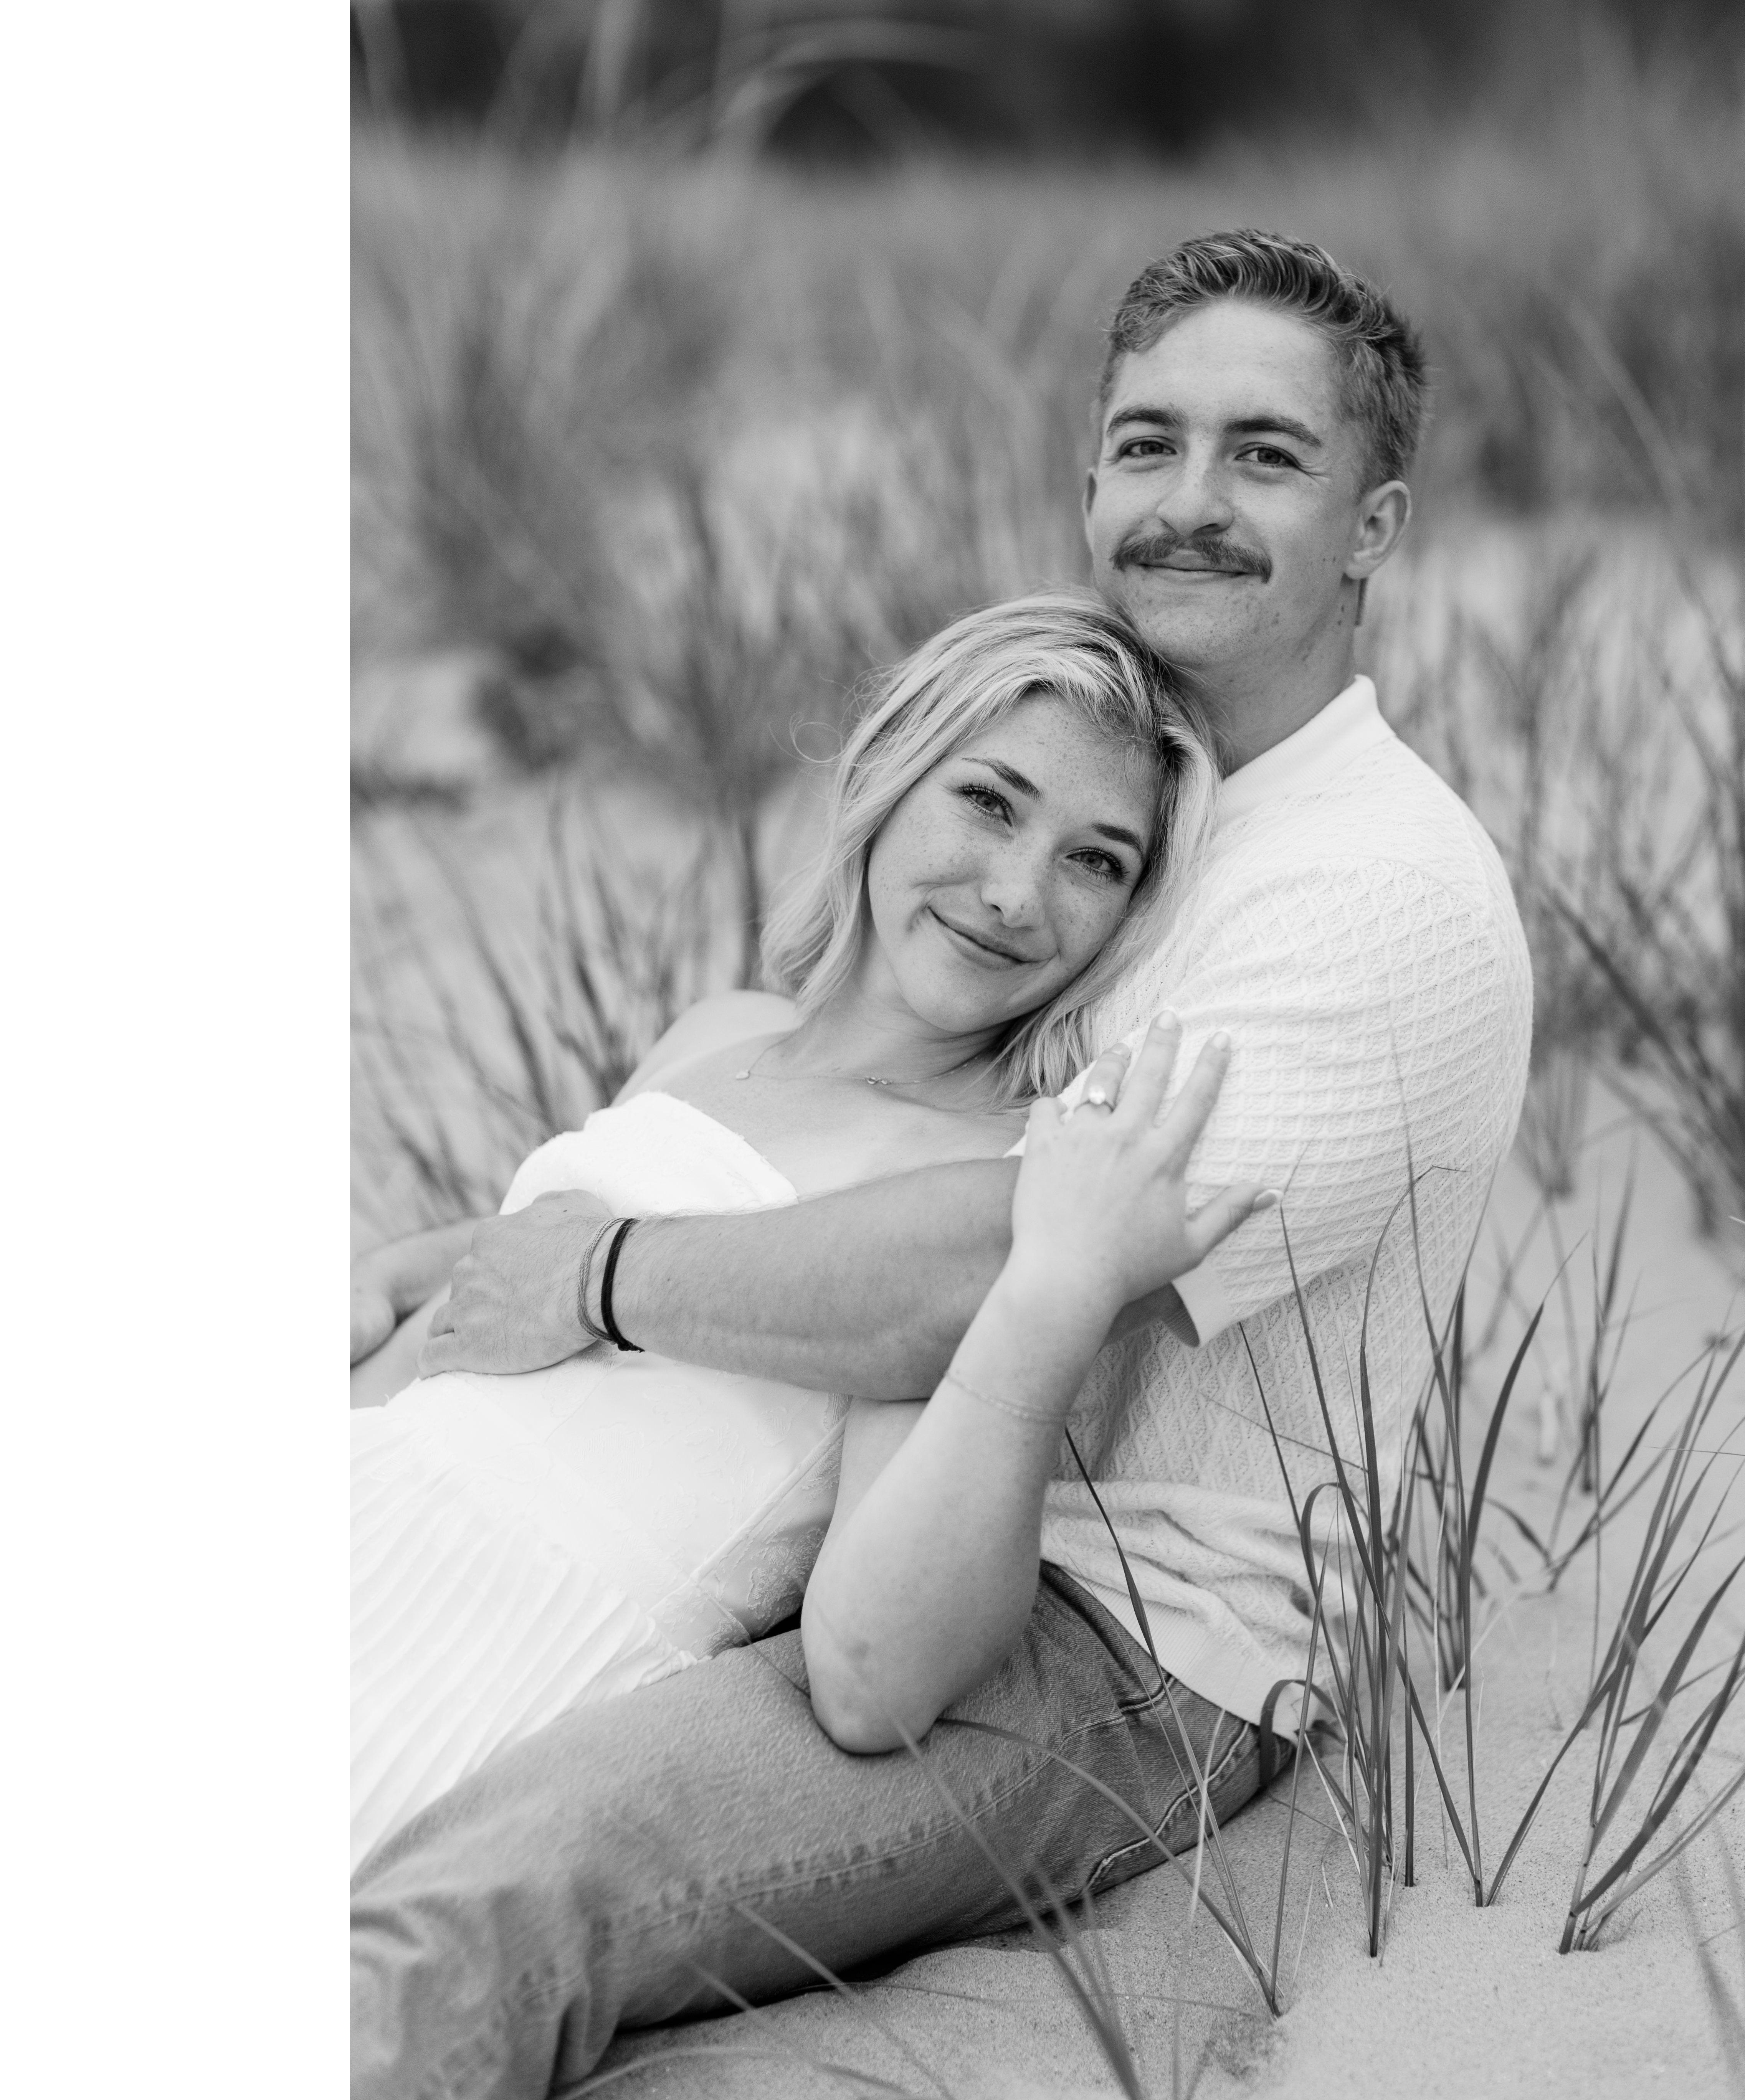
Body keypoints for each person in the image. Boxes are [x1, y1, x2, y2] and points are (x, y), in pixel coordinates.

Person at [352, 229, 1534, 2100]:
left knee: (516, 1875)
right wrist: (454, 1260)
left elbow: (991, 1260)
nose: (1191, 500)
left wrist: (587, 1272)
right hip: (850, 1493)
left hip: (1123, 1628)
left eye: (1266, 455)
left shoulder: (1372, 893)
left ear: (1374, 524)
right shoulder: (1133, 793)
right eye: (1149, 444)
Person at [349, 589, 1231, 1869]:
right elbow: (540, 1266)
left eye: (1096, 861)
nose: (1014, 894)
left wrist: (1054, 1296)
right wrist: (404, 1270)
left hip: (473, 1645)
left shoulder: (987, 1180)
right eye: (990, 802)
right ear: (888, 771)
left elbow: (878, 1675)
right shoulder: (723, 1032)